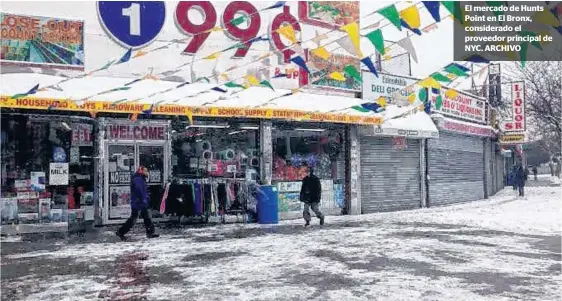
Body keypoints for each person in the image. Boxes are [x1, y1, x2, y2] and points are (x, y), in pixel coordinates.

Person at [116, 166, 159, 240]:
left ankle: (150, 232)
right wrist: (144, 199)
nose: (147, 172)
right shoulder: (138, 179)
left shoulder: (140, 179)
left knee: (146, 217)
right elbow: (140, 191)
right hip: (138, 202)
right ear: (141, 171)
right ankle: (121, 232)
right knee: (134, 219)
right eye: (145, 171)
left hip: (139, 202)